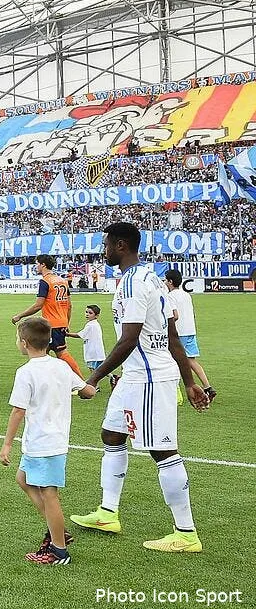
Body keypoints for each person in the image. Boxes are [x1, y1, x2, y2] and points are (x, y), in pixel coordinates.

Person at [71, 222, 210, 553]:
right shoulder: (152, 278)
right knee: (112, 434)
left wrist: (94, 378)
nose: (102, 250)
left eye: (105, 244)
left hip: (149, 377)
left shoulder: (134, 283)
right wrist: (189, 382)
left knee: (162, 450)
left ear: (121, 245)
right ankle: (107, 512)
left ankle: (186, 533)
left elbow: (129, 339)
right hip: (136, 376)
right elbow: (172, 335)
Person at [0, 316, 94, 565]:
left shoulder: (26, 372)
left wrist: (7, 443)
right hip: (48, 440)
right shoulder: (61, 366)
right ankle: (57, 531)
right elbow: (86, 390)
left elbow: (18, 410)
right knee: (23, 479)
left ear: (24, 343)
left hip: (44, 442)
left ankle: (59, 551)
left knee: (49, 493)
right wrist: (89, 389)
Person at [11, 255, 83, 378]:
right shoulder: (62, 281)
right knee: (42, 354)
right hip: (60, 322)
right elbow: (69, 306)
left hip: (50, 324)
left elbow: (38, 305)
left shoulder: (45, 282)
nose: (36, 266)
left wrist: (20, 316)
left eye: (37, 263)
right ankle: (42, 380)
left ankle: (82, 381)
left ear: (43, 265)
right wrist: (66, 323)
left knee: (60, 353)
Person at [164, 269, 215, 402]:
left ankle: (175, 392)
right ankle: (208, 387)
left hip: (179, 332)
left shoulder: (170, 296)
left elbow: (175, 315)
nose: (164, 282)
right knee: (191, 360)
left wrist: (165, 324)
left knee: (172, 361)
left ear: (170, 282)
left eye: (165, 280)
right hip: (190, 330)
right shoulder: (186, 295)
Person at [68, 305, 105, 373]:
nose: (87, 314)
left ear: (96, 316)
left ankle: (93, 383)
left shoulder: (90, 325)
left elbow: (79, 335)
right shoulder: (96, 324)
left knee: (92, 369)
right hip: (98, 351)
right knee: (100, 368)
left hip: (93, 352)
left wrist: (67, 334)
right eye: (86, 312)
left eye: (90, 313)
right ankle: (113, 377)